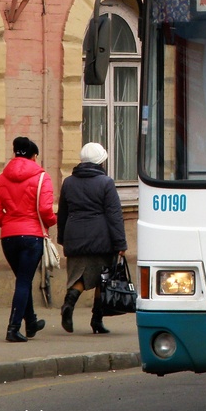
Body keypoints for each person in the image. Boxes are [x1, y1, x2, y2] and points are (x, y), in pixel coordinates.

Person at [0, 136, 57, 343]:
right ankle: (13, 328)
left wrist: (8, 224)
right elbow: (45, 209)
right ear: (34, 155)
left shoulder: (2, 178)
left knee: (22, 280)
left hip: (8, 237)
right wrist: (51, 222)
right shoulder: (42, 177)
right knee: (24, 282)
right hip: (31, 236)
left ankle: (32, 321)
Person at [57, 142, 127, 334]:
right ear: (100, 162)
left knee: (78, 276)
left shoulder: (69, 182)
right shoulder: (106, 183)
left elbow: (62, 213)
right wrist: (120, 243)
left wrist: (63, 238)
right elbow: (114, 215)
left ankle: (69, 303)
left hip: (75, 237)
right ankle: (96, 320)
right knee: (102, 278)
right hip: (101, 239)